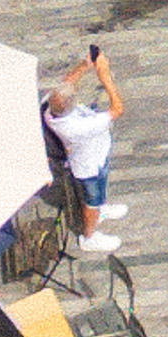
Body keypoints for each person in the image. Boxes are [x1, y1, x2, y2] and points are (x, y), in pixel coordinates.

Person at [45, 49, 127, 251]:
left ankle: (101, 210)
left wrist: (86, 64)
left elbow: (68, 82)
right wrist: (105, 77)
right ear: (71, 106)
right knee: (92, 201)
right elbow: (117, 109)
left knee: (99, 194)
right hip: (89, 167)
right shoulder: (76, 127)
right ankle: (89, 238)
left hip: (98, 156)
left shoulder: (51, 106)